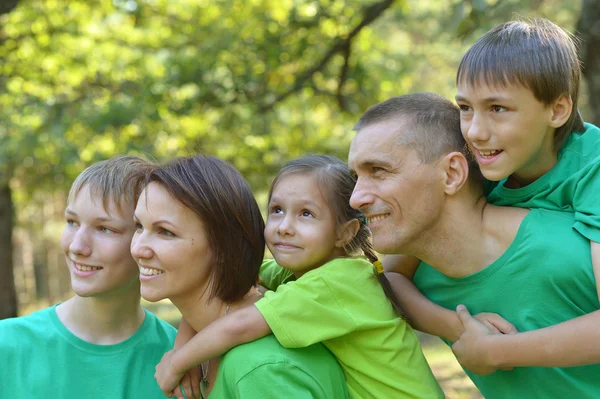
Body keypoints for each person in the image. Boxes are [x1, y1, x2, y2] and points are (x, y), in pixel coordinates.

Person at [349, 92, 600, 398]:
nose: (355, 198)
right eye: (356, 177)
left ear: (452, 173)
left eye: (378, 171)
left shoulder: (572, 253)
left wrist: (495, 348)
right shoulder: (415, 280)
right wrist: (458, 327)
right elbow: (386, 281)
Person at [385, 18, 600, 375]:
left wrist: (502, 351)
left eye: (498, 109)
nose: (475, 131)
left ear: (557, 110)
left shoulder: (592, 166)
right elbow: (391, 279)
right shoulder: (476, 167)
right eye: (466, 108)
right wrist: (459, 329)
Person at [152, 154, 445, 399]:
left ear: (345, 232)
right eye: (277, 210)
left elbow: (240, 325)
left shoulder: (338, 281)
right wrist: (183, 344)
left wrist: (178, 362)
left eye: (306, 214)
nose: (284, 227)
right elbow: (226, 283)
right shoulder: (295, 274)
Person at [130, 155, 349, 399]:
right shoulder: (204, 343)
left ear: (224, 247)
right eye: (139, 226)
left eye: (165, 232)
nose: (138, 248)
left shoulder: (260, 369)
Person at [0, 155, 178, 399]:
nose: (77, 246)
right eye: (72, 222)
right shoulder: (7, 345)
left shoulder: (182, 359)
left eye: (105, 228)